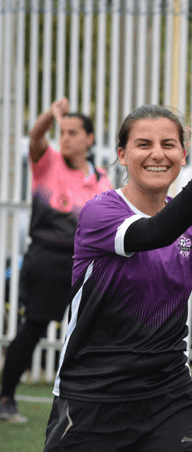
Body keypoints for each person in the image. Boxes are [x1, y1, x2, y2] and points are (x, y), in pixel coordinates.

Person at [42, 105, 192, 451]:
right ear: (122, 155)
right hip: (93, 397)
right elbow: (157, 232)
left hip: (169, 400)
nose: (157, 154)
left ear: (183, 155)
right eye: (144, 144)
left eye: (169, 144)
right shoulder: (100, 212)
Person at [0, 98, 113, 423]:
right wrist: (51, 115)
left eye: (72, 132)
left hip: (86, 265)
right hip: (47, 260)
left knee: (90, 333)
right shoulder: (47, 162)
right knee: (33, 328)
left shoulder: (102, 179)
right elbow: (37, 136)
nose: (64, 138)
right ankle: (5, 397)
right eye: (62, 132)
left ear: (90, 138)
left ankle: (88, 402)